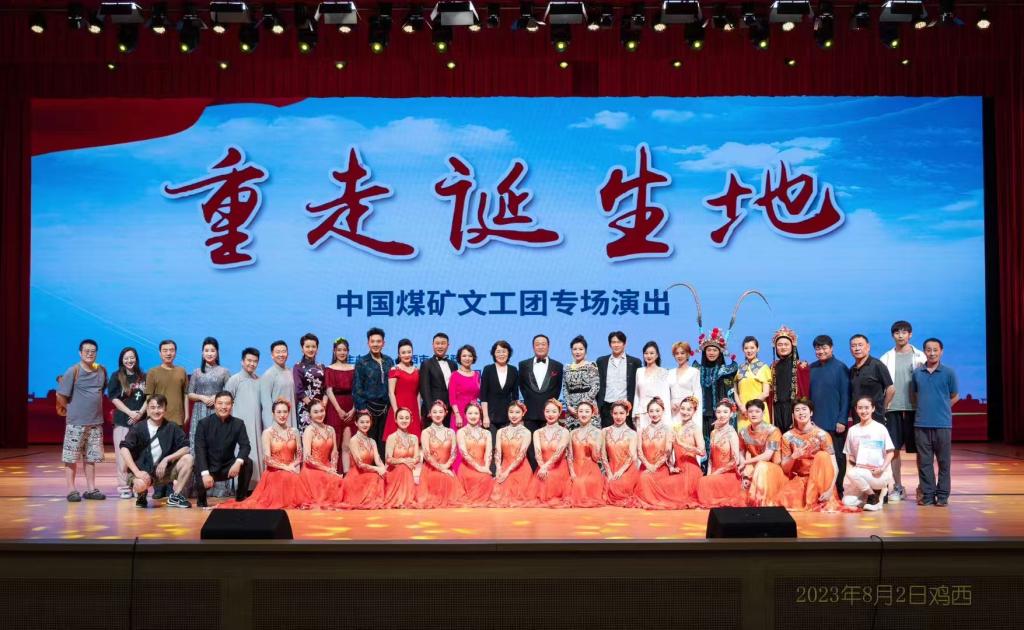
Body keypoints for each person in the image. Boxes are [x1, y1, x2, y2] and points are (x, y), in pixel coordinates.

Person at [220, 399, 305, 510]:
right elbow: (267, 459)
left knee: (298, 486)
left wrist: (292, 466)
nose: (282, 415)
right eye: (279, 412)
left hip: (291, 469)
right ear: (273, 413)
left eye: (285, 412)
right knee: (284, 480)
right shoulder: (267, 433)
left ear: (289, 413)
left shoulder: (295, 431)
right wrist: (286, 467)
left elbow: (300, 455)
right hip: (274, 472)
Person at [880, 321, 927, 503]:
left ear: (910, 334)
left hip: (916, 409)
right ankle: (898, 486)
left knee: (921, 450)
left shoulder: (921, 357)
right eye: (897, 332)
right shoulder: (886, 358)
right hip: (893, 409)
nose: (900, 335)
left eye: (904, 332)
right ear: (893, 335)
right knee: (894, 450)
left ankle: (923, 486)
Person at [119, 395, 193, 509]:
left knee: (188, 459)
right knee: (140, 485)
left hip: (163, 472)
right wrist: (137, 472)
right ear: (147, 410)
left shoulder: (172, 427)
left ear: (165, 409)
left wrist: (167, 459)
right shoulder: (138, 428)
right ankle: (141, 494)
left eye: (159, 407)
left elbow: (186, 447)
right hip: (142, 471)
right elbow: (124, 449)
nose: (156, 411)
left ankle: (176, 496)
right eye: (152, 407)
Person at [57, 339, 108, 502]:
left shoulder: (101, 370)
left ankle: (91, 489)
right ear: (80, 353)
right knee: (71, 458)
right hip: (76, 423)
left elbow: (100, 391)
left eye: (93, 351)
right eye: (86, 351)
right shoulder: (73, 371)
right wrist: (71, 409)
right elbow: (60, 395)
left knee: (91, 458)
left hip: (95, 423)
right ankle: (71, 490)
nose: (90, 353)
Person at [911, 338, 959, 507]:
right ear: (924, 351)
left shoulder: (949, 372)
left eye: (935, 350)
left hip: (943, 425)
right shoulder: (917, 373)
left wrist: (942, 407)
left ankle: (943, 496)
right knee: (925, 463)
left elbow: (955, 396)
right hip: (921, 425)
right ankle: (928, 495)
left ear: (941, 351)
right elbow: (915, 396)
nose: (932, 353)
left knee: (944, 463)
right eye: (928, 350)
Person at [144, 339, 188, 499]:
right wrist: (150, 416)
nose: (168, 353)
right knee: (157, 454)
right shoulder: (153, 372)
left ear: (175, 352)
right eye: (165, 350)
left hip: (177, 419)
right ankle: (158, 487)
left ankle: (170, 486)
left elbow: (185, 394)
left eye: (171, 350)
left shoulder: (182, 371)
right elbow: (149, 397)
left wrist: (186, 413)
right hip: (158, 420)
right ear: (160, 353)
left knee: (174, 455)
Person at [188, 337, 233, 497]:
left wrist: (215, 398)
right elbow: (190, 394)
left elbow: (229, 393)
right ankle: (199, 485)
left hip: (218, 412)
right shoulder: (196, 372)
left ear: (217, 352)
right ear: (202, 353)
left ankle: (219, 486)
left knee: (217, 446)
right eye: (206, 350)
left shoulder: (224, 372)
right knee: (199, 446)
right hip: (200, 412)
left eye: (212, 350)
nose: (209, 353)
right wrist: (202, 397)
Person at [193, 391, 254, 508]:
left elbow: (245, 446)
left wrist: (238, 462)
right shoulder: (204, 423)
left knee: (248, 462)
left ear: (232, 405)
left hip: (228, 467)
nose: (224, 407)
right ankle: (201, 500)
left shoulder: (238, 423)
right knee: (197, 463)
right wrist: (205, 473)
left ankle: (240, 498)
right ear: (215, 404)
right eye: (220, 403)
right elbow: (199, 449)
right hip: (209, 467)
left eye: (227, 403)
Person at [778, 399, 840, 512]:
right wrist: (793, 457)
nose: (801, 413)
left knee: (822, 455)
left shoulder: (823, 435)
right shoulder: (787, 436)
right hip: (801, 479)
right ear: (793, 414)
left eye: (804, 409)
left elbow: (834, 466)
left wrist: (830, 489)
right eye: (797, 410)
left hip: (821, 481)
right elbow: (785, 469)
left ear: (811, 412)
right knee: (782, 501)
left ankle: (824, 497)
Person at [809, 335, 851, 498]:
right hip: (815, 424)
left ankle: (838, 490)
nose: (821, 351)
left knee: (838, 457)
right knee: (816, 458)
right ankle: (820, 490)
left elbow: (846, 395)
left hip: (835, 423)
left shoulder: (841, 368)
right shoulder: (812, 368)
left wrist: (842, 419)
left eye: (824, 347)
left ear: (831, 348)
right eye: (818, 348)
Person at [842, 396, 895, 511]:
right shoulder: (852, 430)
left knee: (853, 473)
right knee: (847, 501)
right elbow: (850, 457)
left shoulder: (880, 428)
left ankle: (874, 497)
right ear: (856, 409)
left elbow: (890, 452)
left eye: (867, 408)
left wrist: (882, 469)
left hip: (878, 474)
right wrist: (848, 480)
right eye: (860, 408)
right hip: (860, 473)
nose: (863, 411)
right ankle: (870, 496)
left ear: (873, 408)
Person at [518, 334, 563, 469]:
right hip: (530, 413)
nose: (540, 346)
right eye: (537, 344)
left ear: (548, 346)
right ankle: (533, 474)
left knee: (549, 447)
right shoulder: (523, 365)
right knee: (531, 448)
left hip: (549, 415)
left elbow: (557, 389)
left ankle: (548, 473)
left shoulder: (558, 366)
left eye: (543, 344)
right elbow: (522, 387)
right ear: (533, 347)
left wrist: (550, 408)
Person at [107, 347, 146, 499]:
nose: (129, 361)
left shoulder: (143, 376)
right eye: (126, 358)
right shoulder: (116, 376)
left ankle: (137, 485)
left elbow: (149, 397)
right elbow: (114, 398)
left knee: (138, 455)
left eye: (132, 357)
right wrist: (130, 413)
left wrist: (140, 413)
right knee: (122, 456)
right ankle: (124, 486)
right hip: (123, 421)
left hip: (140, 422)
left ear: (136, 359)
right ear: (122, 360)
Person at [696, 400, 746, 508]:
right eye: (718, 412)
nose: (721, 415)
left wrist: (717, 473)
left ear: (731, 414)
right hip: (714, 473)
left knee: (704, 482)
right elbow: (711, 457)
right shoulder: (713, 433)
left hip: (728, 474)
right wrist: (709, 474)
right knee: (703, 481)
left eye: (725, 412)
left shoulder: (732, 433)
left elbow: (735, 460)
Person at [224, 348, 262, 488]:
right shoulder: (234, 380)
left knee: (256, 451)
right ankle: (239, 486)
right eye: (249, 360)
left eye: (255, 361)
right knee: (240, 452)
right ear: (242, 361)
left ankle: (255, 485)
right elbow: (226, 403)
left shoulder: (259, 380)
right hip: (240, 425)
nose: (252, 364)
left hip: (256, 424)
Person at [354, 327, 394, 459]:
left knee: (384, 441)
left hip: (386, 408)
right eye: (373, 341)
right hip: (368, 408)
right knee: (368, 443)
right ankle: (369, 470)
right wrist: (363, 409)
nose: (375, 344)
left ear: (383, 343)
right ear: (368, 343)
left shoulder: (389, 361)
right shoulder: (362, 362)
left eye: (378, 341)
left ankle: (383, 468)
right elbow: (357, 387)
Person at [416, 401, 465, 508]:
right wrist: (441, 469)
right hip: (431, 469)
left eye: (440, 412)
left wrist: (446, 467)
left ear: (445, 413)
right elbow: (426, 455)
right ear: (430, 414)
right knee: (438, 478)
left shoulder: (451, 432)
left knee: (449, 483)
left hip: (447, 467)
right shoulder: (426, 432)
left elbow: (454, 452)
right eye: (434, 412)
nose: (437, 415)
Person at [695, 330, 739, 448]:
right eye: (709, 350)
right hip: (702, 416)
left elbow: (731, 391)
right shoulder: (697, 371)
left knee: (721, 447)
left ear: (720, 352)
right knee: (704, 446)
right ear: (704, 352)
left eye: (715, 350)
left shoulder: (726, 371)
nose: (711, 353)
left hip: (721, 415)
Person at [739, 399, 787, 507]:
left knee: (761, 466)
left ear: (763, 413)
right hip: (754, 467)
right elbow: (741, 453)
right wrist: (744, 470)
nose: (753, 414)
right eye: (750, 411)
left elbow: (767, 456)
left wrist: (745, 463)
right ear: (746, 413)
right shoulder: (743, 432)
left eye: (757, 411)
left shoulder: (773, 431)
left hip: (773, 468)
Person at [298, 400, 345, 508]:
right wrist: (327, 469)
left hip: (328, 467)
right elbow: (307, 458)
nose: (320, 414)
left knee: (338, 484)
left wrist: (333, 468)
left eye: (321, 411)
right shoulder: (309, 430)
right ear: (310, 414)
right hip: (312, 470)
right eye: (315, 412)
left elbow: (334, 452)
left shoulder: (330, 429)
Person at [632, 397, 677, 510]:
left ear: (663, 411)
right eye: (651, 411)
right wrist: (648, 466)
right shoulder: (642, 430)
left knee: (645, 477)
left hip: (661, 468)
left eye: (657, 411)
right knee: (643, 477)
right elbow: (639, 452)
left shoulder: (668, 430)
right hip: (645, 467)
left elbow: (667, 453)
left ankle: (651, 500)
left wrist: (654, 467)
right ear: (647, 413)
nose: (654, 414)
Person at [526, 399, 571, 507]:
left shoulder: (564, 432)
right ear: (543, 412)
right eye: (547, 411)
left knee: (552, 479)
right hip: (542, 467)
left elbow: (559, 453)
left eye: (554, 411)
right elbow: (537, 453)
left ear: (559, 413)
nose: (550, 414)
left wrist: (546, 467)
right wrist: (542, 467)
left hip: (558, 467)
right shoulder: (537, 432)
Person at [489, 401, 534, 507]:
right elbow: (498, 452)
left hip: (520, 469)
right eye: (511, 412)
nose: (514, 415)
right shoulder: (501, 431)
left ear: (523, 413)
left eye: (517, 412)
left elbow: (521, 455)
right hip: (504, 466)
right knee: (498, 498)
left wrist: (507, 471)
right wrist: (498, 469)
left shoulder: (526, 432)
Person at [480, 340, 519, 458]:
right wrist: (485, 416)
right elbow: (483, 395)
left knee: (506, 447)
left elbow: (515, 396)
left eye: (504, 351)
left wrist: (515, 415)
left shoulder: (513, 370)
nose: (501, 354)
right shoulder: (488, 369)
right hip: (490, 416)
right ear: (494, 353)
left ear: (508, 353)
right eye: (498, 351)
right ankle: (492, 468)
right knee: (492, 447)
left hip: (507, 416)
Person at [339, 412, 387, 509]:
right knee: (375, 477)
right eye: (362, 422)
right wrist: (377, 469)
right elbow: (360, 464)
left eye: (367, 422)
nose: (365, 425)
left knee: (384, 476)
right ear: (356, 423)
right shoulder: (353, 440)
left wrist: (383, 469)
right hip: (357, 475)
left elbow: (378, 460)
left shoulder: (372, 441)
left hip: (369, 472)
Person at [595, 331, 642, 428]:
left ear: (625, 343)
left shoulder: (635, 362)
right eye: (613, 342)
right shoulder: (601, 361)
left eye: (619, 342)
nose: (616, 345)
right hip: (607, 408)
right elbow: (597, 384)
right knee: (607, 436)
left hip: (626, 408)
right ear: (609, 344)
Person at [770, 326, 810, 435]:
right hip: (777, 409)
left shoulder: (801, 366)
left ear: (792, 346)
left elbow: (805, 392)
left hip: (792, 408)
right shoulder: (773, 366)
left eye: (786, 344)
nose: (783, 347)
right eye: (780, 344)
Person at [324, 337, 356, 473]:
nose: (342, 353)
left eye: (344, 350)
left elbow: (357, 390)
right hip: (334, 407)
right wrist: (338, 409)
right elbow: (329, 390)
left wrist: (354, 409)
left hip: (351, 406)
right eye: (339, 350)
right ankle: (333, 474)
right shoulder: (329, 369)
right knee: (334, 443)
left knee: (347, 445)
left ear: (348, 351)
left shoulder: (354, 368)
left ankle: (347, 474)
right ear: (334, 351)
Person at [567, 401, 606, 507]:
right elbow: (570, 456)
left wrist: (592, 444)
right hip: (575, 468)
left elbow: (597, 458)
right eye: (581, 411)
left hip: (590, 469)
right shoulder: (572, 433)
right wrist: (572, 473)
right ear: (577, 413)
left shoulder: (598, 432)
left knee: (582, 484)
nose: (583, 414)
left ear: (592, 413)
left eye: (587, 411)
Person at [455, 402, 495, 506]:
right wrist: (479, 468)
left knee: (486, 478)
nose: (473, 416)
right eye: (470, 413)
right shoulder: (461, 432)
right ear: (465, 415)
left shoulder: (487, 433)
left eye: (476, 413)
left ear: (480, 415)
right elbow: (464, 453)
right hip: (467, 468)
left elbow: (488, 453)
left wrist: (486, 467)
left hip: (483, 466)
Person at [383, 338, 422, 442]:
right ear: (399, 355)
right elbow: (391, 393)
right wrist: (396, 412)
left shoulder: (417, 370)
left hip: (413, 408)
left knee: (414, 441)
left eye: (409, 352)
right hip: (398, 407)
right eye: (403, 353)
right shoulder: (395, 370)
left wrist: (419, 412)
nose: (406, 355)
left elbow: (418, 394)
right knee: (397, 443)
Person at [602, 400, 640, 507]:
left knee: (618, 485)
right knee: (605, 484)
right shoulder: (605, 431)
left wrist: (620, 471)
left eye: (621, 413)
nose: (618, 417)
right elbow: (603, 454)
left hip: (627, 469)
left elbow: (632, 456)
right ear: (611, 414)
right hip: (610, 468)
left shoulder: (632, 433)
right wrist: (609, 472)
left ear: (627, 413)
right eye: (615, 413)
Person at [382, 407, 421, 508]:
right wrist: (404, 461)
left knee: (405, 467)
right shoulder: (392, 437)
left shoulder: (414, 438)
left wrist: (410, 461)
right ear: (396, 420)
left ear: (411, 420)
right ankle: (401, 499)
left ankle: (405, 498)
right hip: (393, 472)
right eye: (401, 418)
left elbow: (417, 458)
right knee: (403, 467)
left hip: (407, 472)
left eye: (407, 418)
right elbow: (388, 459)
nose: (404, 420)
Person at [418, 332, 459, 426]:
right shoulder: (426, 364)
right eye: (437, 343)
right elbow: (425, 389)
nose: (440, 346)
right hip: (433, 411)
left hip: (449, 410)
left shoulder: (453, 364)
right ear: (433, 345)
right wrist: (431, 410)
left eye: (443, 343)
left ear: (448, 345)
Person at [633, 341, 671, 434]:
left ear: (657, 355)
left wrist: (665, 415)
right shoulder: (639, 371)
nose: (648, 356)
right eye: (646, 353)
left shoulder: (664, 372)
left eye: (651, 353)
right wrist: (635, 412)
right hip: (642, 413)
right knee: (642, 440)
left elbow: (665, 396)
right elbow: (637, 394)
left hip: (657, 413)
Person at [563, 335, 600, 430]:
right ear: (571, 351)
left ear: (585, 351)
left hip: (588, 408)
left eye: (580, 349)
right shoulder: (567, 367)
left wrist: (583, 405)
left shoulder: (591, 366)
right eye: (575, 349)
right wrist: (569, 406)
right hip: (572, 411)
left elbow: (595, 386)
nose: (577, 352)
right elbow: (565, 389)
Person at [735, 336, 772, 432]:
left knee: (760, 437)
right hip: (743, 412)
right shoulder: (739, 369)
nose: (749, 351)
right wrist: (741, 407)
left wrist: (750, 407)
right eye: (746, 348)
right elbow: (735, 391)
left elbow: (765, 393)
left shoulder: (763, 367)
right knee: (743, 438)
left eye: (752, 348)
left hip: (758, 409)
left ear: (757, 348)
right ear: (743, 350)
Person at [260, 340, 297, 433]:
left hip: (291, 417)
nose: (281, 354)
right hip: (276, 423)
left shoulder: (291, 371)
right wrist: (270, 428)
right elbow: (266, 404)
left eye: (283, 351)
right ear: (272, 355)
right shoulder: (268, 375)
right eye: (277, 352)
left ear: (288, 354)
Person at [293, 332, 327, 433]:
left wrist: (323, 405)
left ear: (317, 348)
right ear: (302, 348)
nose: (311, 349)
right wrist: (312, 407)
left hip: (321, 409)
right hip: (305, 408)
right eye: (307, 346)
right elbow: (299, 390)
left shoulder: (321, 366)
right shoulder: (298, 367)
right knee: (306, 436)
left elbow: (326, 388)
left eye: (313, 346)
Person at [669, 341, 702, 432]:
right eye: (677, 353)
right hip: (673, 412)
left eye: (682, 353)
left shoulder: (694, 372)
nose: (679, 356)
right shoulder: (670, 373)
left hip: (688, 412)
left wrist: (692, 411)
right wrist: (670, 404)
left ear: (688, 354)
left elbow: (697, 395)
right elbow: (666, 393)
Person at [449, 344, 481, 433]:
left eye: (470, 356)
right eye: (464, 356)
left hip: (473, 415)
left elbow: (479, 396)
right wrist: (457, 415)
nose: (467, 358)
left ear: (473, 358)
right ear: (460, 358)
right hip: (459, 415)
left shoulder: (477, 375)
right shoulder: (455, 375)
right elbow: (452, 398)